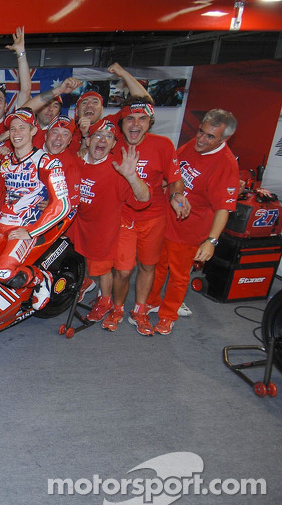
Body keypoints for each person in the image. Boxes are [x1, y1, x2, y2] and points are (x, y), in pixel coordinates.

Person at [147, 109, 240, 334]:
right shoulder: (193, 144)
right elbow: (173, 171)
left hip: (189, 231)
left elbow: (223, 209)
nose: (201, 139)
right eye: (201, 131)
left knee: (178, 275)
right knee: (156, 266)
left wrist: (211, 241)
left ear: (224, 139)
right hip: (165, 220)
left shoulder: (226, 165)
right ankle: (151, 301)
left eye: (210, 136)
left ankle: (168, 314)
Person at [102, 100, 187, 335]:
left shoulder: (163, 145)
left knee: (148, 266)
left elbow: (174, 178)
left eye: (142, 119)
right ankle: (117, 308)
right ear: (122, 123)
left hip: (154, 217)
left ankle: (139, 310)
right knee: (123, 270)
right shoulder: (111, 142)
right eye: (130, 118)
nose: (135, 124)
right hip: (123, 216)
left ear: (149, 123)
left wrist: (177, 194)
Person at [0, 108, 70, 309]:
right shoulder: (4, 163)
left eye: (22, 128)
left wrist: (31, 231)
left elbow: (63, 204)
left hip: (24, 228)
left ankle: (41, 278)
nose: (16, 133)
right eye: (12, 129)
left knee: (3, 272)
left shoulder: (48, 162)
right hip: (0, 225)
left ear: (33, 130)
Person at [68, 121, 151, 323]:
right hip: (78, 225)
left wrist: (132, 177)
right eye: (97, 135)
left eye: (109, 137)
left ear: (114, 144)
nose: (102, 140)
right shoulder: (75, 162)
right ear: (87, 140)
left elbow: (143, 199)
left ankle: (106, 301)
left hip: (104, 230)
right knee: (77, 262)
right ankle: (84, 287)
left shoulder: (118, 169)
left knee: (104, 269)